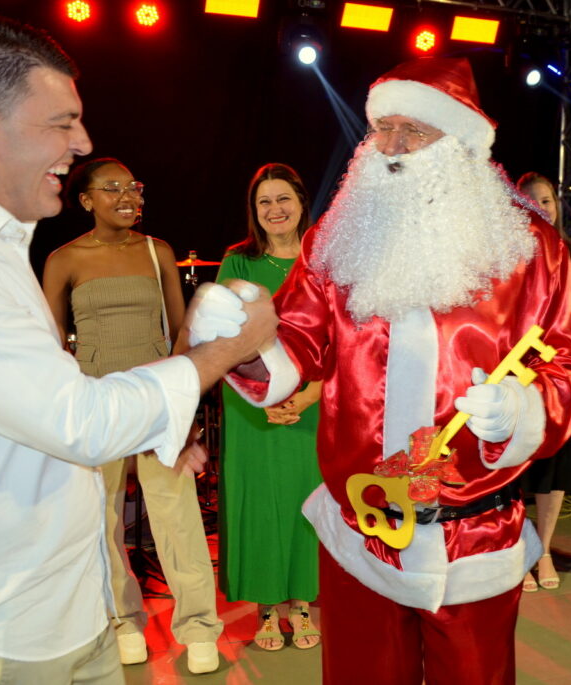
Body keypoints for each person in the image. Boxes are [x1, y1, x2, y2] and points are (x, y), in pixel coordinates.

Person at [0, 14, 276, 684]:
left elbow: (34, 407)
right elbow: (76, 420)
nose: (83, 142)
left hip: (59, 621)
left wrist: (164, 425)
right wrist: (220, 353)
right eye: (62, 123)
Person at [191, 57, 571, 684]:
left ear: (460, 143)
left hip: (473, 537)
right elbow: (297, 338)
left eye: (414, 130)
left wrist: (524, 411)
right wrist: (239, 342)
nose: (389, 146)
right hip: (360, 533)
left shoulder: (527, 247)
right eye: (381, 127)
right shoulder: (337, 234)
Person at [42, 157, 222, 665]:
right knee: (101, 519)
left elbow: (182, 334)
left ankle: (199, 628)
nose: (128, 196)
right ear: (86, 199)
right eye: (113, 188)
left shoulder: (156, 250)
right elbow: (49, 346)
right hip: (95, 401)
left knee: (177, 513)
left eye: (134, 187)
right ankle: (122, 619)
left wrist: (184, 403)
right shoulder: (63, 260)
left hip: (156, 399)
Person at [216, 163, 323, 651]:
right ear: (253, 211)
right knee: (259, 501)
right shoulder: (238, 262)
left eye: (283, 199)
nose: (275, 209)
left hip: (314, 398)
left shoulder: (325, 259)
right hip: (250, 403)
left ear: (301, 202)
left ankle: (301, 602)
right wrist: (261, 399)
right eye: (264, 202)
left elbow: (345, 333)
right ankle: (265, 606)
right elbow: (223, 337)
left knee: (306, 499)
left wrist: (313, 392)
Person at [515, 171, 571, 591]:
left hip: (558, 377)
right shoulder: (504, 253)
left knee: (554, 472)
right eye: (530, 200)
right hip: (512, 376)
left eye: (546, 200)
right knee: (512, 468)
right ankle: (517, 548)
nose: (539, 208)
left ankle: (543, 550)